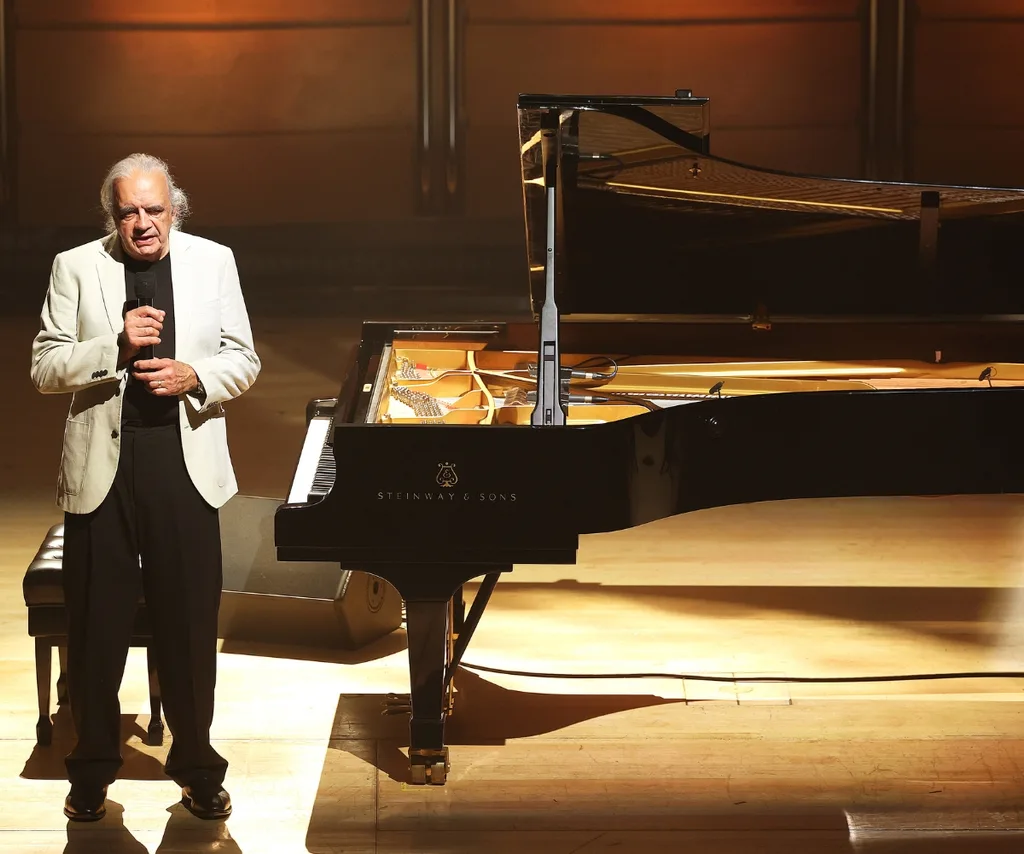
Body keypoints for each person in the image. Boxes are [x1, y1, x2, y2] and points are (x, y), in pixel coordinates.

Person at [30, 153, 261, 822]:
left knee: (187, 626)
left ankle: (198, 768)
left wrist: (196, 376)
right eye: (128, 211)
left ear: (174, 210)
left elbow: (244, 358)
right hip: (102, 469)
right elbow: (45, 366)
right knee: (95, 631)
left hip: (182, 464)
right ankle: (91, 772)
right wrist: (116, 346)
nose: (142, 223)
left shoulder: (213, 261)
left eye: (154, 210)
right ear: (113, 215)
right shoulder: (75, 266)